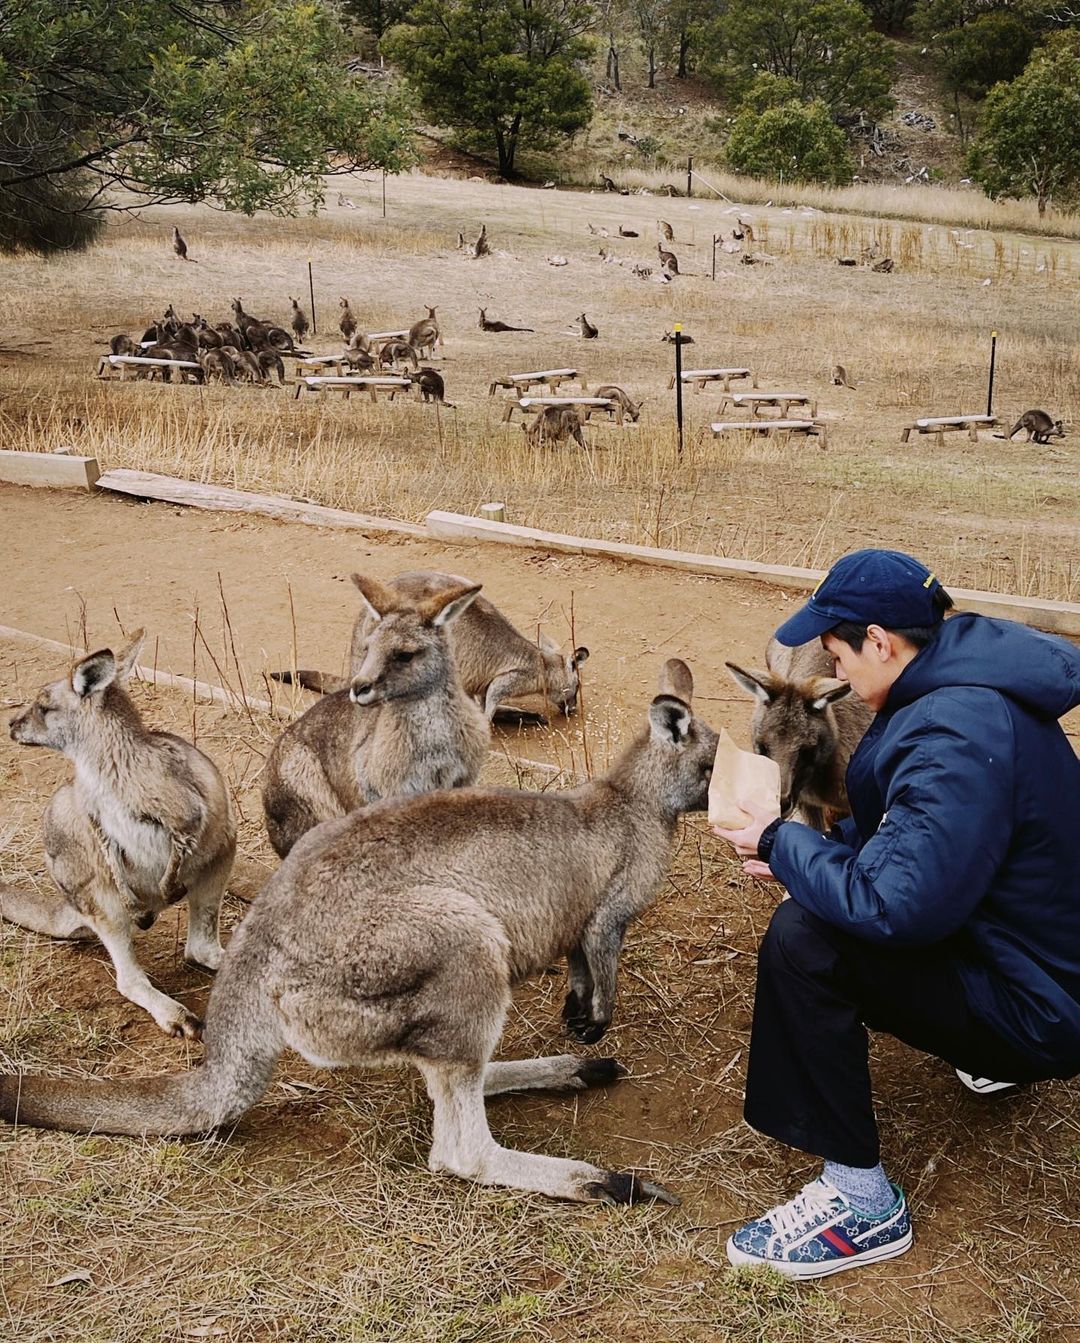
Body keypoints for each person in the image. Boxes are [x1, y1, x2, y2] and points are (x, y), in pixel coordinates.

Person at [714, 548, 1080, 1280]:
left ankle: (861, 1202)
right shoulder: (957, 685)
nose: (837, 671)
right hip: (1038, 959)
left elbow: (895, 908)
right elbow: (907, 839)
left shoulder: (954, 731)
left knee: (805, 938)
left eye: (840, 652)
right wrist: (801, 860)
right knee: (819, 901)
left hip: (1045, 1007)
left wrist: (787, 843)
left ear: (881, 641)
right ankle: (984, 1055)